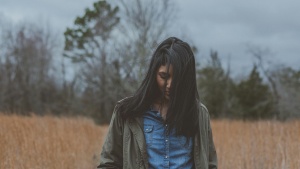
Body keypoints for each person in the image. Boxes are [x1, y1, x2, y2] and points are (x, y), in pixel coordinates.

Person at [98, 37, 217, 169]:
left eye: (177, 78)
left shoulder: (199, 114)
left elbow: (210, 164)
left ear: (186, 79)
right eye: (164, 76)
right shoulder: (126, 112)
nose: (170, 85)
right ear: (153, 74)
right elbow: (109, 164)